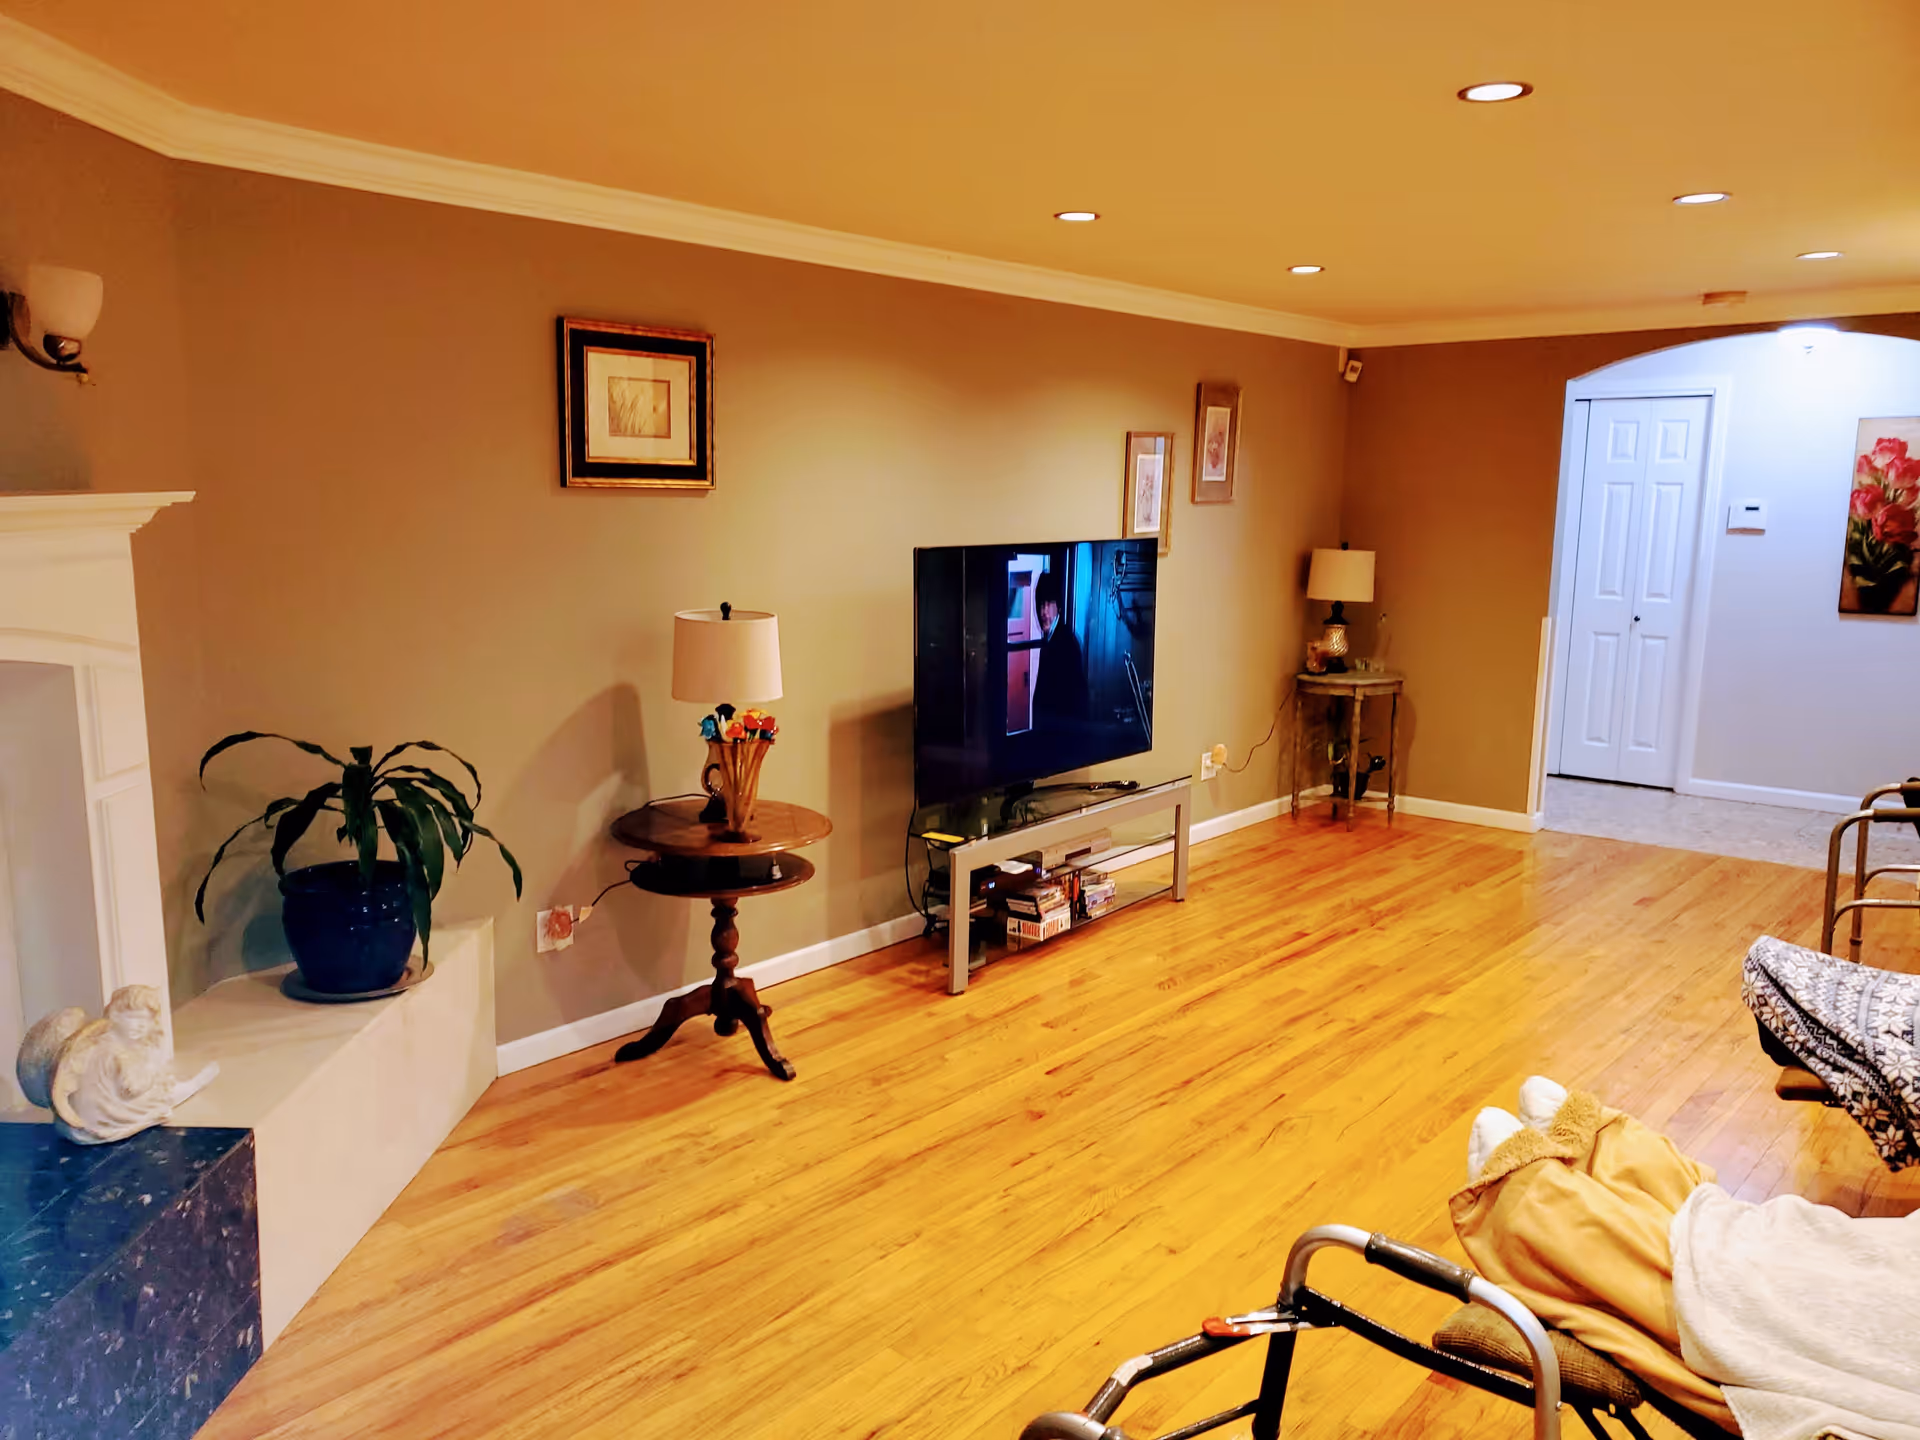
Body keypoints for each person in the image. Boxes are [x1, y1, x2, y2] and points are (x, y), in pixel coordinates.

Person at [1031, 570, 1089, 726]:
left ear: (1058, 606)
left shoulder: (1066, 643)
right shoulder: (1051, 640)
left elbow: (1070, 698)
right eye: (1041, 604)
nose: (1043, 611)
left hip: (1060, 732)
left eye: (1049, 604)